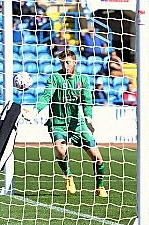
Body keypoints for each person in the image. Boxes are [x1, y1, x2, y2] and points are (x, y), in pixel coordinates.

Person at [22, 50, 108, 197]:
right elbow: (47, 95)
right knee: (61, 150)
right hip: (58, 122)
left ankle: (100, 186)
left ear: (75, 62)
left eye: (67, 62)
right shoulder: (55, 77)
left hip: (77, 123)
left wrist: (89, 118)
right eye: (62, 63)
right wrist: (35, 111)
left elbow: (87, 100)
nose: (65, 65)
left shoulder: (83, 79)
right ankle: (68, 176)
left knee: (97, 158)